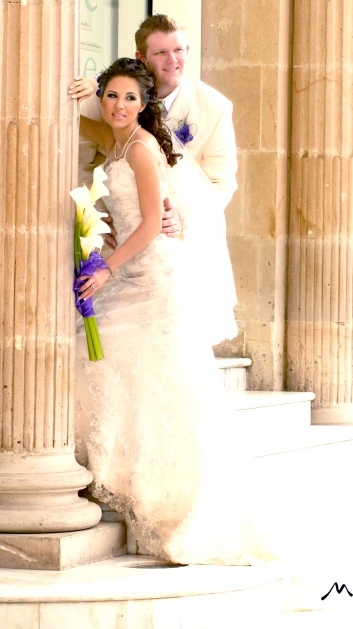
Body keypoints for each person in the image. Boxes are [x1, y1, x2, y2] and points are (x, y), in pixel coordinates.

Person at [73, 58, 277, 566]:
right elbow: (73, 116)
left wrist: (105, 269)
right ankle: (119, 476)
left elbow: (148, 226)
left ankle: (157, 495)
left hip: (152, 278)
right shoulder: (116, 136)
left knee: (152, 377)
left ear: (145, 105)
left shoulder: (141, 149)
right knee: (111, 365)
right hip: (131, 269)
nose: (119, 106)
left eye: (130, 99)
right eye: (112, 95)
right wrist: (74, 90)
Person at [70, 14, 238, 344]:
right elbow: (80, 160)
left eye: (179, 50)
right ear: (141, 58)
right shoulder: (110, 98)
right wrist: (98, 220)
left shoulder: (214, 107)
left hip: (166, 245)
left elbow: (222, 183)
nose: (173, 60)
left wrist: (183, 218)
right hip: (116, 239)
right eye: (161, 53)